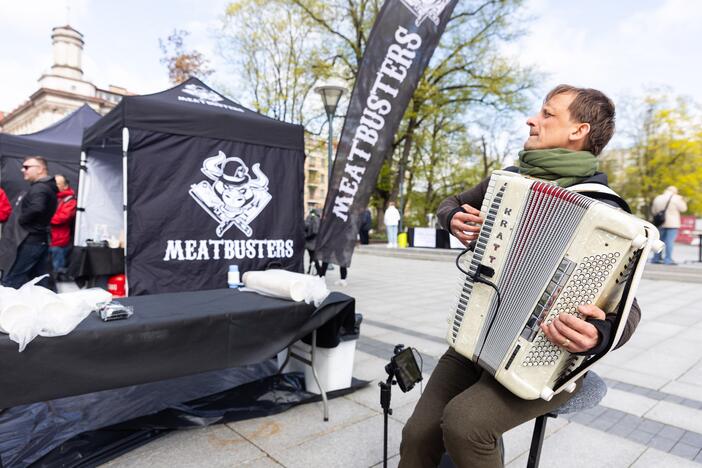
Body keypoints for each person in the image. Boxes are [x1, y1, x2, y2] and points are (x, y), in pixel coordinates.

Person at [399, 85, 642, 468]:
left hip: (546, 358)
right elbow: (449, 204)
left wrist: (601, 335)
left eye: (547, 114)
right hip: (477, 335)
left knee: (465, 425)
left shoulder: (605, 211)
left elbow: (630, 309)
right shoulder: (509, 180)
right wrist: (452, 218)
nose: (532, 119)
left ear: (578, 130)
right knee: (416, 435)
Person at [0, 156, 58, 289]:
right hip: (37, 240)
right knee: (42, 281)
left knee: (12, 280)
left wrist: (22, 219)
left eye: (27, 167)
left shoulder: (40, 188)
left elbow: (37, 208)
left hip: (31, 241)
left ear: (40, 169)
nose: (23, 170)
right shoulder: (45, 187)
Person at [50, 174, 77, 278]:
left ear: (65, 186)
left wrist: (45, 217)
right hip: (48, 239)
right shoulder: (51, 196)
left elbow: (62, 218)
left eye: (57, 184)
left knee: (57, 269)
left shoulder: (70, 200)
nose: (53, 186)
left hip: (59, 241)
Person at [651, 186, 687, 265]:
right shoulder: (677, 198)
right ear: (675, 191)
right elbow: (683, 209)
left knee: (659, 241)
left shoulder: (658, 198)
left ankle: (656, 258)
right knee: (669, 242)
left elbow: (653, 211)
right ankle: (668, 259)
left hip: (660, 223)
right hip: (672, 223)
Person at [304, 208, 321, 275]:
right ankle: (311, 270)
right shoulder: (318, 218)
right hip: (315, 241)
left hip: (311, 242)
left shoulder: (311, 217)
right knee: (312, 258)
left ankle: (320, 271)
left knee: (313, 258)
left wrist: (307, 237)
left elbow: (312, 230)